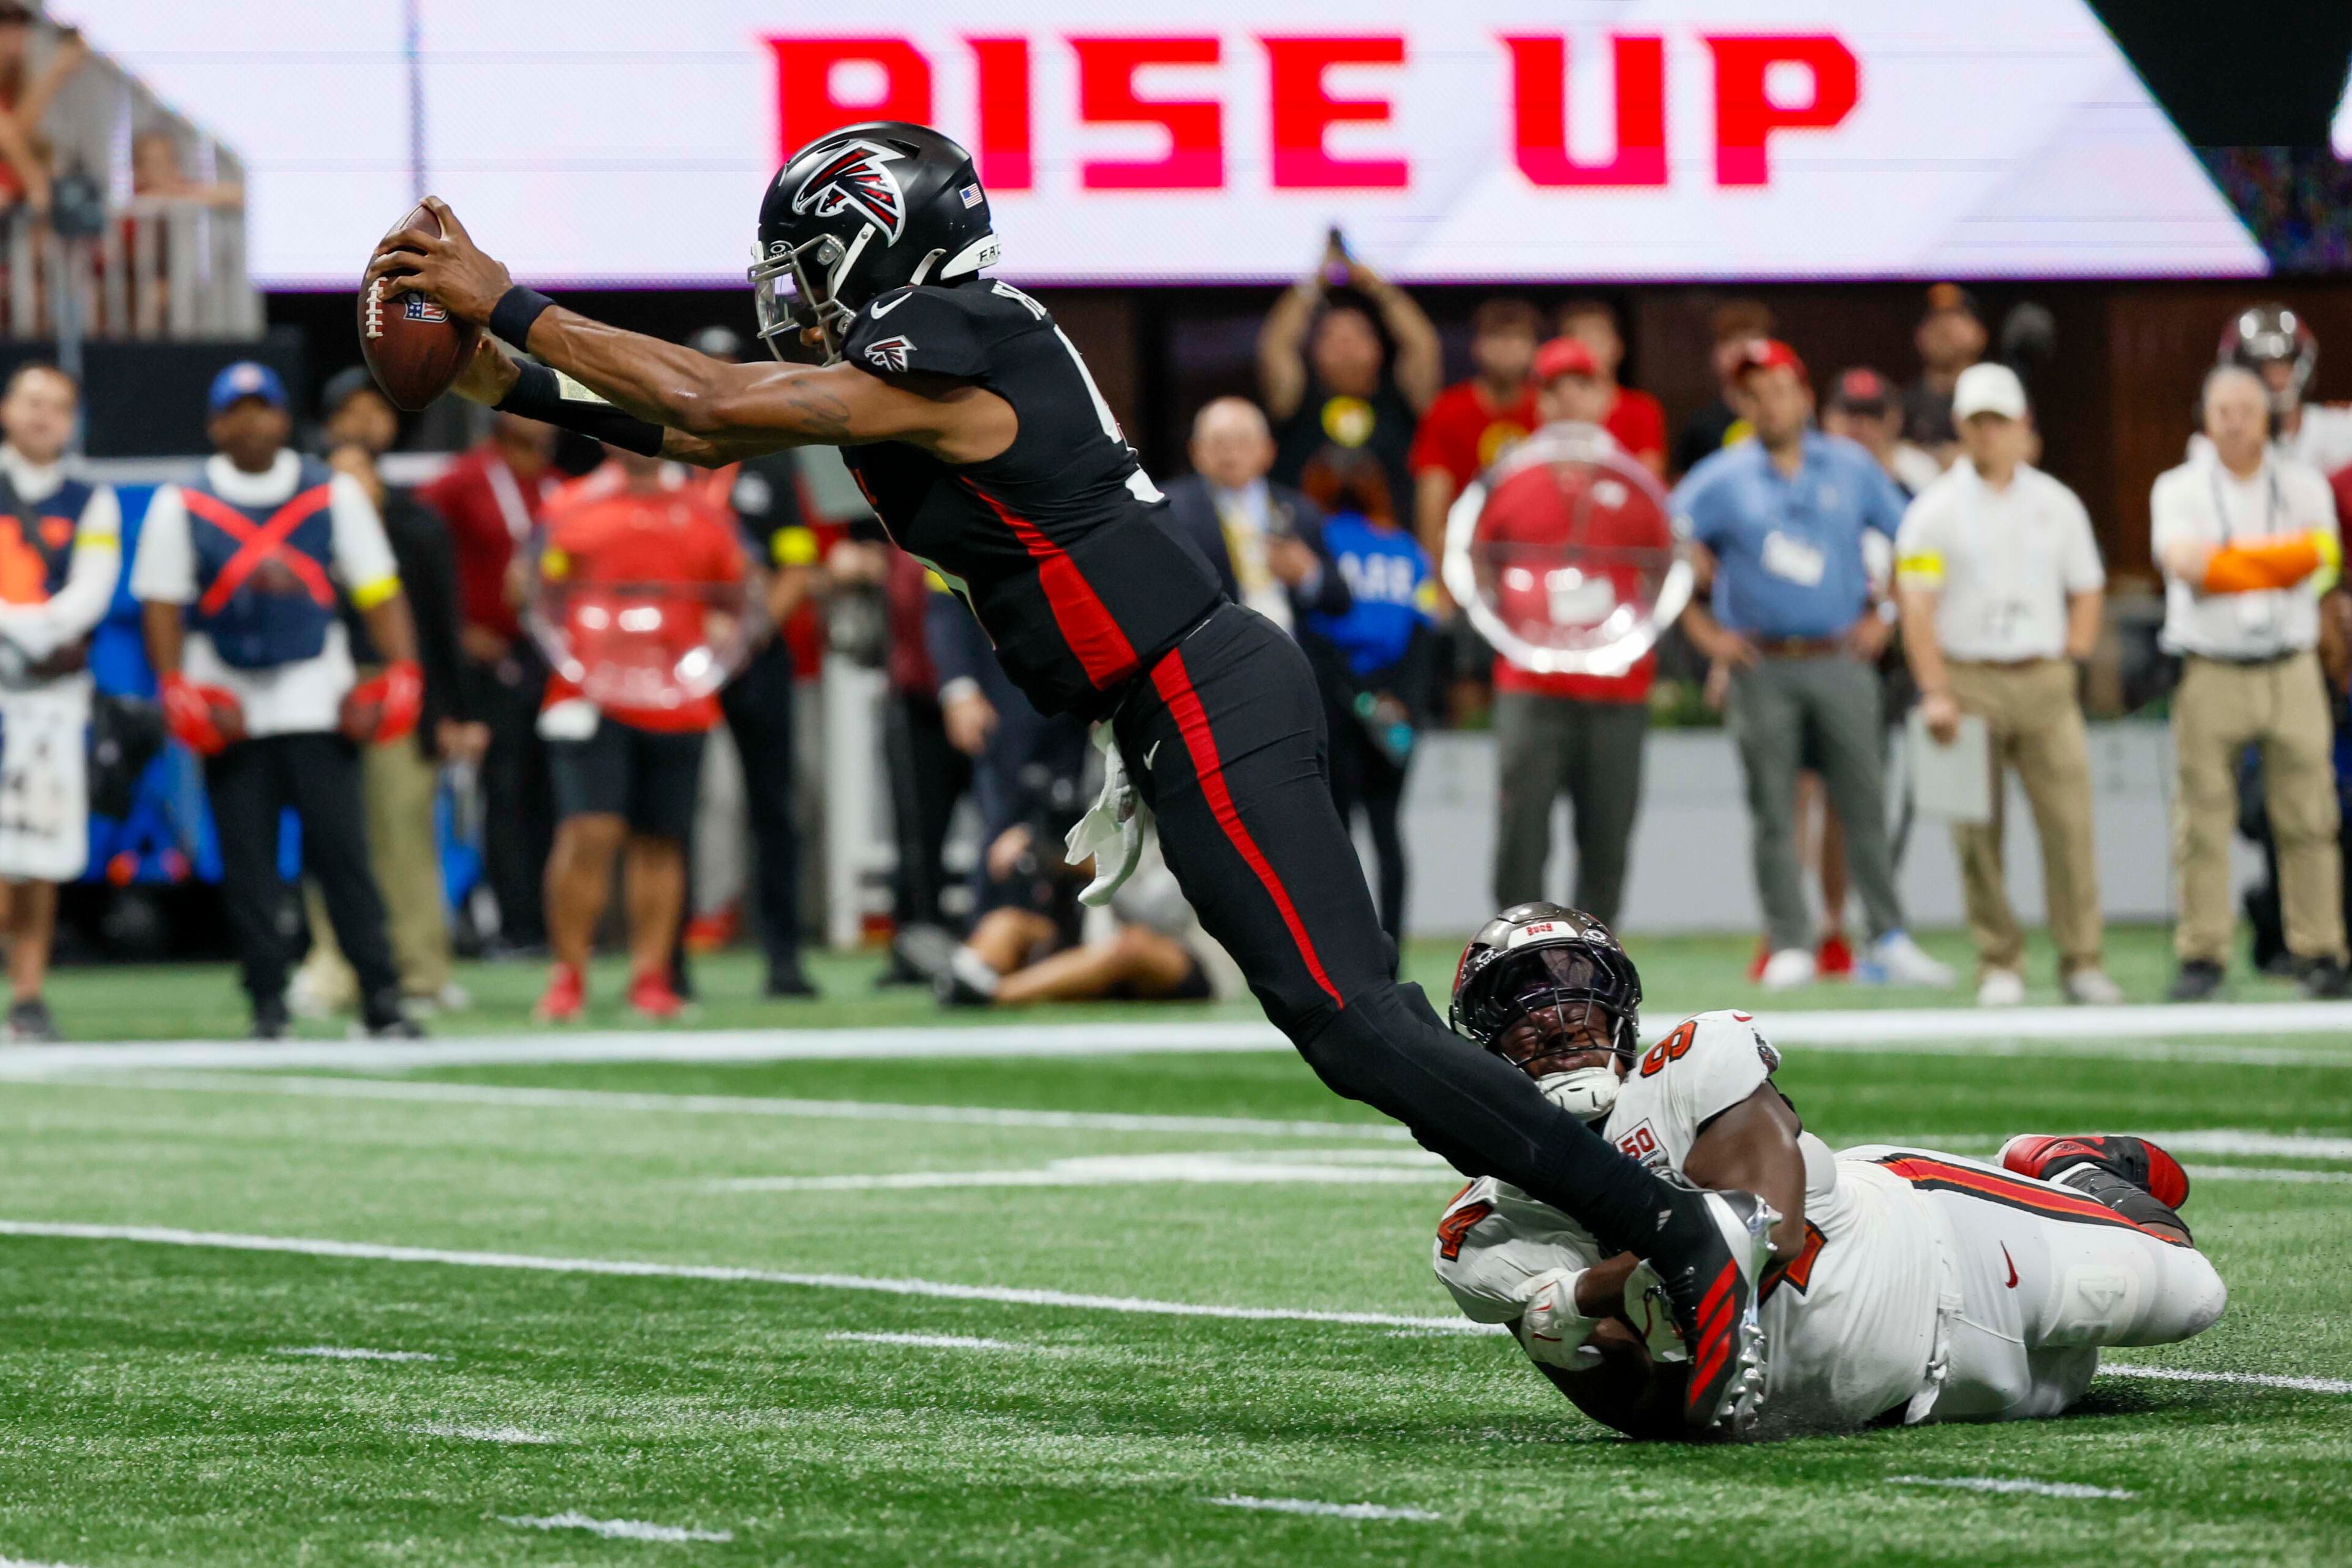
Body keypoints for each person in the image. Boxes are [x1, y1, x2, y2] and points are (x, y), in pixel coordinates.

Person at [371, 122, 1782, 1433]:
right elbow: (700, 426)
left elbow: (712, 390)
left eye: (806, 270)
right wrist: (495, 373)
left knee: (1354, 1021)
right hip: (1169, 700)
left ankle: (1668, 1228)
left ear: (874, 248)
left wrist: (507, 299)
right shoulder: (921, 363)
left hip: (1199, 682)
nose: (786, 297)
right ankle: (1636, 1206)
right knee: (1347, 1026)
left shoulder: (965, 337)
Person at [1432, 903, 2226, 1441]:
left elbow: (1761, 1225)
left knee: (2193, 1292)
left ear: (1623, 1013)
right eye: (1520, 996)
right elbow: (1655, 1417)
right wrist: (1607, 1317)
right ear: (1483, 1046)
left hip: (1952, 1252)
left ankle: (2068, 1167)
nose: (1556, 1012)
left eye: (1575, 983)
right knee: (2082, 1372)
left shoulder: (1687, 1065)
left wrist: (1585, 1295)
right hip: (1930, 1404)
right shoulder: (1486, 1231)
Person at [130, 361, 423, 1039]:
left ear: (285, 419)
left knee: (345, 856)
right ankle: (267, 1000)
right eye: (238, 410)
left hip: (317, 696)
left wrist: (403, 672)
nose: (253, 422)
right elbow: (161, 602)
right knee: (248, 864)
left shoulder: (332, 494)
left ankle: (382, 995)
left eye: (264, 408)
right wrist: (176, 686)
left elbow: (379, 587)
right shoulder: (185, 503)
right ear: (216, 424)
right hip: (230, 702)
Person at [1673, 339, 1953, 991]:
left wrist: (1887, 618)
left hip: (1841, 656)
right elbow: (1660, 550)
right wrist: (1705, 633)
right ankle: (1791, 938)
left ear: (1802, 394)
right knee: (1773, 808)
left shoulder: (1852, 467)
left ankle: (1888, 934)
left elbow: (1917, 540)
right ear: (1739, 404)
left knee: (1865, 801)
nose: (1765, 403)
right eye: (1751, 394)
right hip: (1759, 661)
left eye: (1776, 388)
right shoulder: (1720, 477)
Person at [1896, 364, 2121, 1008]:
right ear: (1963, 429)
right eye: (1977, 422)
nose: (1989, 433)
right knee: (1976, 831)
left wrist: (2071, 658)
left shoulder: (2058, 503)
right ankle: (2000, 960)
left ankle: (2083, 960)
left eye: (2000, 421)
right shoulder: (1932, 511)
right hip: (1967, 677)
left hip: (2043, 674)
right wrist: (1935, 688)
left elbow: (2087, 585)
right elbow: (1917, 604)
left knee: (2070, 825)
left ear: (2024, 426)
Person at [287, 369, 481, 1018]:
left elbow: (439, 626)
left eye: (378, 410)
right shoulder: (300, 523)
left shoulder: (418, 525)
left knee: (405, 836)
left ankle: (421, 970)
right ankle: (335, 969)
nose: (366, 425)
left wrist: (453, 711)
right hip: (322, 689)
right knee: (335, 838)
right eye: (353, 412)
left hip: (397, 690)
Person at [530, 445, 747, 1022]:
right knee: (588, 833)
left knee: (661, 840)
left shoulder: (705, 511)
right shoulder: (570, 506)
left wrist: (712, 655)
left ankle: (651, 979)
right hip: (588, 697)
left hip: (680, 702)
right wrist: (578, 654)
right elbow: (530, 593)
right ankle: (568, 976)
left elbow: (737, 597)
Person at [2153, 364, 2349, 1001]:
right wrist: (2275, 563)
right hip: (2211, 665)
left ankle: (2320, 949)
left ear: (2268, 415)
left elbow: (2322, 559)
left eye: (2246, 408)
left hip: (2291, 666)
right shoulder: (2177, 487)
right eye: (2222, 410)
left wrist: (2232, 564)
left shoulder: (2303, 484)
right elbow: (2189, 567)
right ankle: (2203, 954)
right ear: (2204, 419)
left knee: (2310, 816)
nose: (2235, 421)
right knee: (2202, 821)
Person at [1488, 338, 1656, 929]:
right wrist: (1509, 624)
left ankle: (1594, 961)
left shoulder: (1636, 482)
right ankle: (1515, 955)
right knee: (1521, 833)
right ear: (1537, 401)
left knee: (1608, 836)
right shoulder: (1508, 477)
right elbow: (1474, 559)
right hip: (1530, 679)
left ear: (1605, 395)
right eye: (1553, 388)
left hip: (1618, 683)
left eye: (1581, 384)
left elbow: (1667, 566)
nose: (1567, 399)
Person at [689, 324, 821, 998]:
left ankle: (784, 957)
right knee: (674, 805)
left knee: (773, 805)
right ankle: (668, 964)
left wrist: (751, 626)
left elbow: (798, 561)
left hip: (754, 657)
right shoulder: (668, 457)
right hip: (681, 661)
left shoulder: (768, 460)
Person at [0, 362, 118, 1040]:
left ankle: (28, 993)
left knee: (38, 854)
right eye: (32, 401)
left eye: (58, 406)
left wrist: (36, 632)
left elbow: (91, 592)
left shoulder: (89, 500)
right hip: (21, 665)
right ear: (8, 409)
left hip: (49, 696)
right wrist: (24, 629)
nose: (44, 416)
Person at [418, 407, 559, 952]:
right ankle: (512, 923)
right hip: (486, 661)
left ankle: (549, 923)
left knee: (551, 794)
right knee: (502, 793)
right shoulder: (462, 482)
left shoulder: (562, 487)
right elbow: (419, 553)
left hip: (551, 660)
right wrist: (455, 630)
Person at [1297, 451, 1436, 945]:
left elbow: (1310, 632)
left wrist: (1355, 697)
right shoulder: (1407, 550)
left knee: (1336, 832)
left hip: (1335, 703)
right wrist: (1400, 701)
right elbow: (1426, 635)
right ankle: (1392, 945)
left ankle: (1343, 947)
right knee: (1387, 829)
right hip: (1395, 705)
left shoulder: (1319, 543)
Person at [1259, 231, 1441, 513]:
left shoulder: (1401, 400)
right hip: (1309, 550)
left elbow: (1423, 345)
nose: (1345, 344)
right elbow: (1276, 345)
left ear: (1379, 349)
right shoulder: (1296, 399)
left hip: (1391, 550)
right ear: (1314, 353)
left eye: (1358, 334)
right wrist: (1314, 283)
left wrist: (1377, 286)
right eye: (1331, 336)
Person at [1159, 396, 1348, 635]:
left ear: (1268, 450)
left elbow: (1342, 600)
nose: (1231, 452)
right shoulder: (1170, 510)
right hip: (1217, 650)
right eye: (1219, 442)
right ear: (1195, 451)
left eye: (1242, 441)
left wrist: (1308, 574)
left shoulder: (1300, 509)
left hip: (1292, 650)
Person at [1408, 298, 1541, 568]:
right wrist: (1434, 577)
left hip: (1537, 553)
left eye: (1517, 339)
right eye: (1496, 338)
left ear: (1534, 349)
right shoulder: (1447, 410)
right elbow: (1432, 502)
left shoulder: (1549, 410)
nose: (1507, 349)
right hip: (1464, 553)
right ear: (1477, 348)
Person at [2218, 304, 2352, 478]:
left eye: (2284, 365)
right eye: (2262, 368)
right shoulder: (2219, 444)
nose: (2276, 380)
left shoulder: (2343, 430)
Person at [1556, 300, 1667, 478]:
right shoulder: (1554, 410)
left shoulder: (1643, 409)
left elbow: (1648, 478)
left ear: (1618, 347)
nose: (1589, 348)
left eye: (1598, 339)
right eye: (1580, 340)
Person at [1672, 300, 1773, 476]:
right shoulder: (1701, 426)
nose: (1742, 349)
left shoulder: (1790, 418)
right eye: (1731, 340)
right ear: (1715, 354)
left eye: (1752, 338)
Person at [1821, 367, 1943, 497]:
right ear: (1827, 417)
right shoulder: (1808, 468)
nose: (1861, 425)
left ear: (1895, 419)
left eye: (1873, 413)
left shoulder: (1918, 470)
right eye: (1850, 412)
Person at [1902, 283, 1987, 467]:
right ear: (1919, 336)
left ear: (1980, 333)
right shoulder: (1904, 404)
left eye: (1956, 316)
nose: (1944, 326)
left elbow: (2028, 446)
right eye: (1934, 318)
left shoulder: (1998, 392)